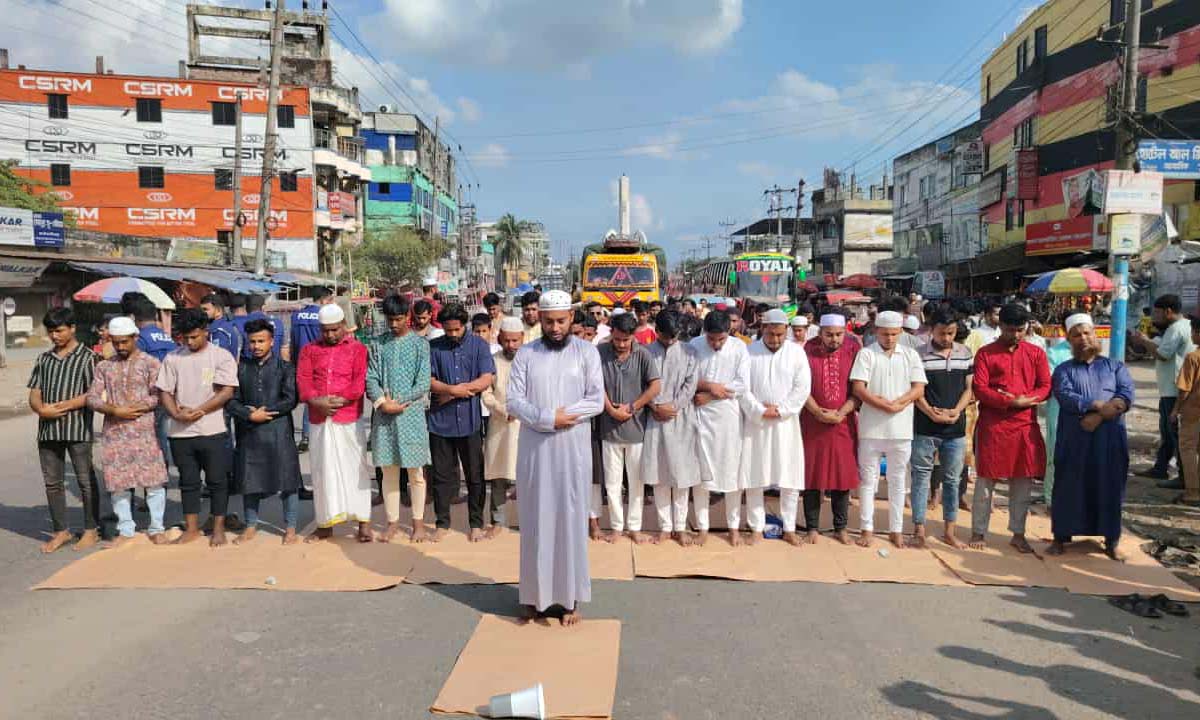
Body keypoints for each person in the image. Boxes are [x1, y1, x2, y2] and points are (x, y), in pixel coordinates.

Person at [506, 289, 604, 625]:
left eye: (561, 321)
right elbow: (514, 401)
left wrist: (564, 417)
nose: (555, 328)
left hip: (573, 449)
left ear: (571, 318)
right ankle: (533, 598)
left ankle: (571, 600)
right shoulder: (526, 355)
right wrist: (548, 419)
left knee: (570, 520)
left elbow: (595, 400)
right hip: (537, 449)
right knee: (535, 520)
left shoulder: (587, 353)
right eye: (549, 322)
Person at [1047, 314, 1135, 561]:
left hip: (1109, 439)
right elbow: (1065, 395)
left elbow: (1126, 394)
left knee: (1110, 485)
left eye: (1086, 333)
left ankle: (1111, 540)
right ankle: (1060, 537)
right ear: (1069, 339)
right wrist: (1097, 404)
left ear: (1095, 335)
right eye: (1076, 334)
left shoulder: (1114, 366)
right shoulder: (1064, 369)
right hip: (1075, 439)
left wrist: (1098, 416)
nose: (1083, 338)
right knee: (1068, 485)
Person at [969, 303, 1051, 553]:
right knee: (985, 482)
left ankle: (1018, 533)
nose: (1015, 334)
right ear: (1000, 326)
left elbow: (1046, 385)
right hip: (993, 426)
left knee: (1022, 482)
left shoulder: (1035, 353)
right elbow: (980, 389)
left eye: (1019, 330)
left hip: (1025, 425)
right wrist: (1008, 401)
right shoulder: (985, 353)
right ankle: (978, 531)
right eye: (1009, 329)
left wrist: (1028, 399)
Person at [156, 308, 239, 546]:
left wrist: (201, 410)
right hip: (180, 432)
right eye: (186, 337)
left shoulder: (221, 356)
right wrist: (176, 413)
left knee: (217, 481)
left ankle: (218, 528)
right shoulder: (173, 358)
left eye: (195, 336)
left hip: (212, 430)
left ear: (206, 331)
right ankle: (191, 528)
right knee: (188, 481)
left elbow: (226, 391)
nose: (190, 341)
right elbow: (165, 391)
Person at [87, 317, 169, 547]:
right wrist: (115, 409)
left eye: (124, 342)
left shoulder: (151, 363)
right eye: (116, 343)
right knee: (119, 483)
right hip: (115, 432)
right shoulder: (104, 366)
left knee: (153, 481)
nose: (121, 347)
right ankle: (126, 529)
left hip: (144, 431)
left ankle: (157, 527)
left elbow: (160, 395)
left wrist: (139, 407)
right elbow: (92, 398)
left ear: (135, 338)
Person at [850, 310, 927, 548]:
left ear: (901, 332)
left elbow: (919, 388)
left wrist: (900, 403)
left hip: (901, 428)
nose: (890, 338)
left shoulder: (911, 355)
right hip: (871, 427)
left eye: (894, 334)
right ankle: (867, 528)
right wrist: (881, 403)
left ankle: (896, 529)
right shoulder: (866, 354)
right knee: (867, 480)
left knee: (897, 481)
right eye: (885, 334)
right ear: (876, 332)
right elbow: (858, 388)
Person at [298, 303, 373, 543]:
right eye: (325, 330)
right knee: (322, 471)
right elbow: (303, 379)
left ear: (343, 326)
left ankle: (363, 522)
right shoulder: (309, 350)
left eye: (334, 330)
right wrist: (315, 400)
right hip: (319, 419)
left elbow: (359, 381)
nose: (330, 335)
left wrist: (340, 400)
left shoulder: (357, 349)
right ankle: (325, 524)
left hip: (347, 418)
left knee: (357, 469)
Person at [29, 307, 100, 552]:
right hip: (48, 432)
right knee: (53, 483)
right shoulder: (44, 359)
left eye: (59, 330)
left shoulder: (88, 357)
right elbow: (34, 393)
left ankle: (91, 530)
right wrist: (41, 410)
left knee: (85, 482)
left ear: (72, 328)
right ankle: (61, 531)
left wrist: (67, 405)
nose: (54, 336)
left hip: (78, 430)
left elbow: (95, 393)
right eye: (51, 332)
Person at [739, 309, 811, 545]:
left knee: (789, 477)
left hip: (785, 424)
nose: (776, 339)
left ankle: (789, 527)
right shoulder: (749, 352)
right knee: (754, 476)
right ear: (763, 329)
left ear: (787, 331)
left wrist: (780, 410)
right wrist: (760, 410)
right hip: (756, 424)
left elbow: (802, 389)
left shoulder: (797, 354)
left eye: (780, 334)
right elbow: (742, 389)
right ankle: (756, 528)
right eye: (771, 334)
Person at [227, 318, 302, 545]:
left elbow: (291, 400)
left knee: (288, 481)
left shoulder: (285, 368)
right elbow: (230, 401)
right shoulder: (240, 369)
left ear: (272, 342)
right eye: (252, 342)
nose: (256, 346)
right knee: (250, 480)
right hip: (249, 431)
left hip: (278, 430)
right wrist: (249, 415)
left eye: (261, 341)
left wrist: (265, 412)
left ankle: (290, 527)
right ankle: (251, 525)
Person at [366, 295, 432, 543]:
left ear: (408, 317)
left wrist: (399, 402)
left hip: (411, 415)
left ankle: (418, 523)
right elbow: (371, 378)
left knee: (416, 473)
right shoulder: (377, 344)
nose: (393, 324)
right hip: (384, 416)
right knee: (388, 471)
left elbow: (423, 382)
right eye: (389, 320)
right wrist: (383, 402)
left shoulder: (420, 345)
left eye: (398, 319)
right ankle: (392, 523)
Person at [428, 303, 496, 541]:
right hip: (440, 422)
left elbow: (486, 378)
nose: (453, 334)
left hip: (470, 422)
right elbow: (429, 380)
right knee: (441, 476)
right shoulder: (434, 347)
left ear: (464, 325)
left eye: (457, 329)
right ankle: (442, 523)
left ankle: (476, 523)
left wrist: (458, 391)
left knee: (475, 475)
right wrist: (449, 389)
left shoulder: (479, 345)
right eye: (448, 331)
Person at [909, 307, 974, 549]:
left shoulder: (965, 353)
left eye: (951, 333)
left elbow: (969, 388)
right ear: (931, 330)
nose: (946, 338)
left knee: (952, 480)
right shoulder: (917, 355)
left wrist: (957, 410)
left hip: (955, 429)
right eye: (941, 333)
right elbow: (916, 390)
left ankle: (949, 531)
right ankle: (919, 530)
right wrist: (930, 412)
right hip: (925, 426)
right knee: (921, 478)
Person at [595, 312, 661, 544]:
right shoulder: (600, 353)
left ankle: (634, 527)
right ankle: (616, 527)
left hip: (636, 429)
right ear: (611, 333)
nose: (622, 344)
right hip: (609, 428)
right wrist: (611, 410)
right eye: (617, 339)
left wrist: (634, 406)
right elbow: (595, 385)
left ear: (634, 336)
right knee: (612, 483)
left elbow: (655, 386)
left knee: (636, 482)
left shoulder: (643, 354)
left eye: (626, 340)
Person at [689, 310, 751, 546]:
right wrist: (707, 386)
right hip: (699, 416)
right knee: (701, 474)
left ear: (729, 332)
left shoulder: (738, 348)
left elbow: (742, 384)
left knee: (731, 473)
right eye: (711, 339)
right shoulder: (694, 345)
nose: (716, 344)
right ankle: (702, 527)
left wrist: (712, 395)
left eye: (721, 339)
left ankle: (733, 527)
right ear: (705, 333)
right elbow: (688, 377)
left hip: (728, 418)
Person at [801, 312, 861, 544]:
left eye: (838, 335)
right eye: (829, 335)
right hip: (812, 422)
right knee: (812, 475)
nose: (834, 339)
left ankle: (841, 528)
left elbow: (859, 389)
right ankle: (812, 528)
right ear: (820, 333)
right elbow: (800, 385)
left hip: (842, 422)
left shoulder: (853, 350)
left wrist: (841, 413)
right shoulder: (807, 349)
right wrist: (817, 411)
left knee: (841, 475)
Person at [641, 310, 700, 546]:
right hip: (654, 419)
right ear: (657, 332)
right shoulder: (645, 353)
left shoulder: (689, 352)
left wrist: (673, 407)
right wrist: (655, 406)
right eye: (666, 337)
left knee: (682, 475)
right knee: (659, 475)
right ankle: (665, 527)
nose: (671, 341)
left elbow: (690, 385)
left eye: (674, 337)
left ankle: (680, 526)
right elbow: (641, 383)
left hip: (681, 418)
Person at [1130, 294, 1193, 488]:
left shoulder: (1175, 328)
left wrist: (1143, 341)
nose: (1155, 317)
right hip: (1171, 388)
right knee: (1168, 433)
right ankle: (1161, 468)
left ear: (1168, 311)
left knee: (1174, 434)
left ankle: (1184, 478)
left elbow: (1163, 355)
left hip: (1174, 390)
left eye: (1157, 313)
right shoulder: (1184, 326)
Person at [482, 317, 525, 536]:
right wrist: (501, 410)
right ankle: (497, 521)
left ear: (522, 339)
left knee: (528, 476)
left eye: (515, 341)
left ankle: (530, 521)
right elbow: (486, 393)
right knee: (499, 475)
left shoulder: (531, 360)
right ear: (499, 339)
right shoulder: (492, 361)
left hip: (526, 426)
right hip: (499, 425)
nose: (511, 345)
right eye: (507, 341)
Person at [289, 286, 335, 451]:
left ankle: (307, 436)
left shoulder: (296, 316)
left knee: (310, 399)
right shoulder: (322, 316)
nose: (331, 304)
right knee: (320, 399)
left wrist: (294, 363)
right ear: (323, 300)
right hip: (320, 361)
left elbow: (293, 341)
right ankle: (317, 435)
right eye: (330, 300)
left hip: (302, 362)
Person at [1171, 317, 1200, 507]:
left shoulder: (1193, 357)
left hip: (1193, 411)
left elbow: (1184, 389)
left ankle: (1192, 493)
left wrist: (1175, 410)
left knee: (1188, 450)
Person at [240, 294, 282, 361]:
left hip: (249, 367)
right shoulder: (278, 322)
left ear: (245, 308)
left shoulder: (240, 323)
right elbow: (285, 350)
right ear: (263, 307)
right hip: (275, 367)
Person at [200, 294, 241, 360]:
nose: (202, 313)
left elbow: (218, 358)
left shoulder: (218, 330)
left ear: (218, 310)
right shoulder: (226, 324)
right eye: (201, 310)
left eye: (205, 309)